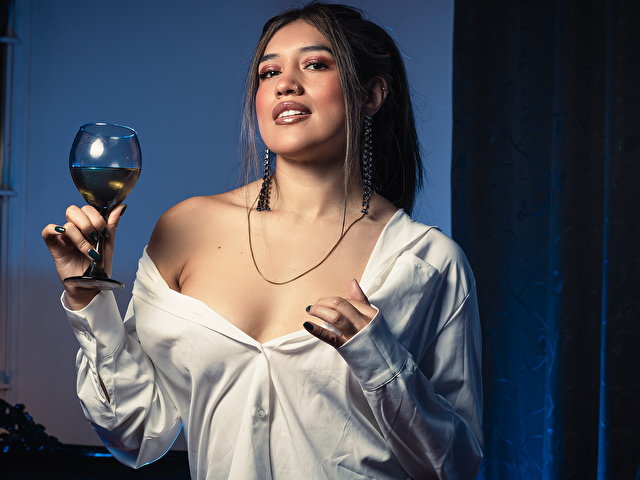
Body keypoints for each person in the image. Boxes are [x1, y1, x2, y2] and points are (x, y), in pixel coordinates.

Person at [42, 3, 483, 479]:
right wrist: (88, 299)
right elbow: (137, 433)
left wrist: (382, 363)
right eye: (268, 72)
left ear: (372, 94)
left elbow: (456, 467)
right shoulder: (185, 230)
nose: (285, 83)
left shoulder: (429, 262)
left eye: (315, 64)